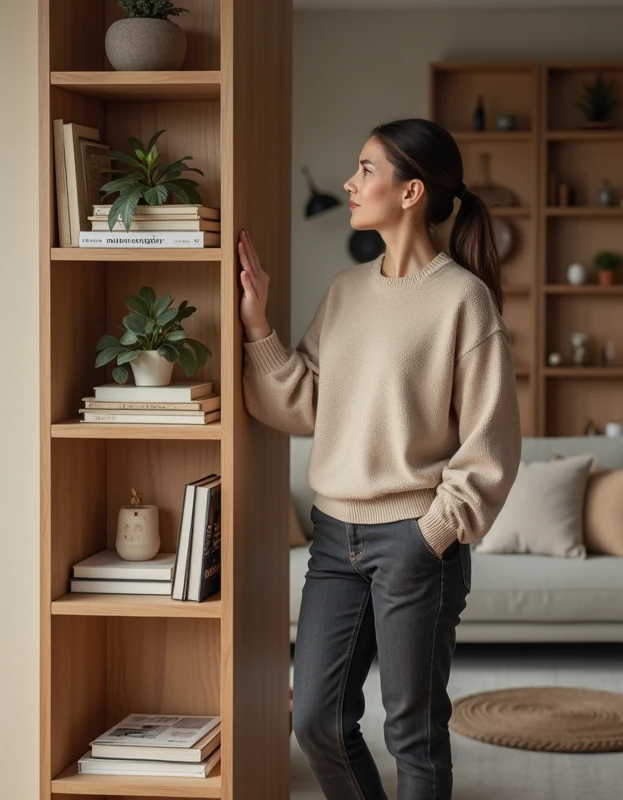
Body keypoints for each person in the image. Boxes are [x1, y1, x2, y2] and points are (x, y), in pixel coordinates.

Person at [237, 117, 522, 800]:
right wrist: (258, 328)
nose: (349, 182)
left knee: (413, 736)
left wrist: (433, 533)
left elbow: (492, 443)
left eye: (367, 169)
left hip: (415, 543)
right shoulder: (344, 292)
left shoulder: (463, 300)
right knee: (316, 723)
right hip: (334, 541)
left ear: (411, 191)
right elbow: (304, 406)